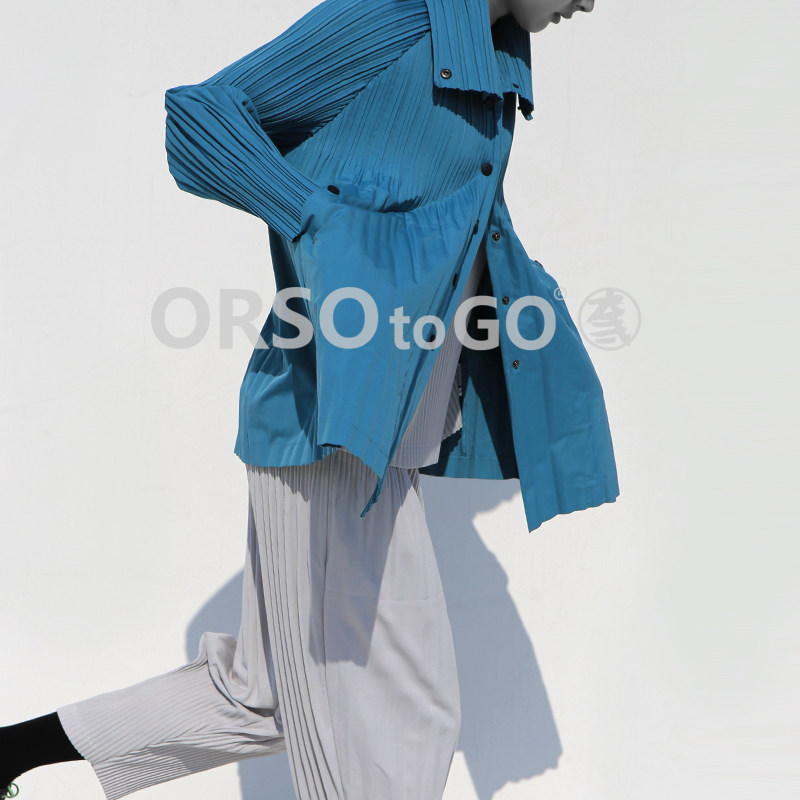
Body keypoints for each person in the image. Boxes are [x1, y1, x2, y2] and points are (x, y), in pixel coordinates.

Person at [1, 1, 614, 799]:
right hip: (330, 423)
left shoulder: (494, 57)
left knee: (257, 699)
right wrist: (314, 220)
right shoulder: (398, 18)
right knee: (408, 712)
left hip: (379, 429)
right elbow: (201, 116)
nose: (589, 2)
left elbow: (455, 226)